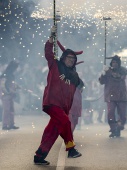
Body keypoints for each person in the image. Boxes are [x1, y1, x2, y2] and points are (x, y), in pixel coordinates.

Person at [34, 26, 82, 165]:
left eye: (73, 59)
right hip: (52, 103)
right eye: (69, 58)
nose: (71, 60)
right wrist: (51, 38)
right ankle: (71, 148)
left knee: (52, 132)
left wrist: (104, 75)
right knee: (66, 122)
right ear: (63, 58)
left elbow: (80, 87)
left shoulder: (75, 76)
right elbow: (48, 53)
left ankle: (39, 156)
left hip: (63, 107)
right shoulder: (55, 65)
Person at [99, 55, 127, 137]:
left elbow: (119, 77)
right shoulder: (107, 71)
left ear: (118, 63)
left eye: (116, 62)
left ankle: (118, 127)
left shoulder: (122, 70)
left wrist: (109, 72)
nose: (114, 64)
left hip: (121, 95)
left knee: (123, 114)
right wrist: (103, 74)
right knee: (110, 113)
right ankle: (113, 129)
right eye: (113, 62)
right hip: (110, 95)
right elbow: (102, 82)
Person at [0, 61, 20, 130]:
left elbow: (12, 83)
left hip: (10, 94)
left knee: (11, 109)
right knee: (6, 110)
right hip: (5, 94)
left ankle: (11, 124)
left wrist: (17, 86)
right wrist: (7, 92)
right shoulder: (5, 74)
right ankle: (5, 125)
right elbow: (2, 85)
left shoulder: (11, 74)